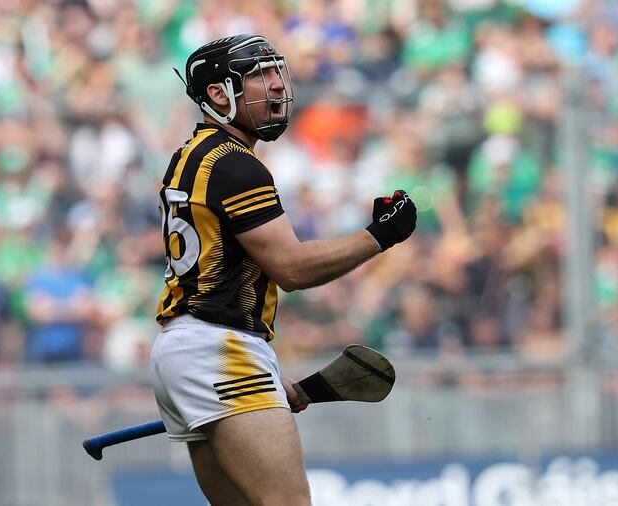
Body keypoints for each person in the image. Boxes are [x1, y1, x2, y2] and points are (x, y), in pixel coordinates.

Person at [149, 34, 417, 505]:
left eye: (276, 72)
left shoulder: (189, 156)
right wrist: (380, 235)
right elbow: (291, 269)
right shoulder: (236, 166)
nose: (275, 86)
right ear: (218, 94)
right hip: (221, 349)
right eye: (257, 76)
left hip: (183, 350)